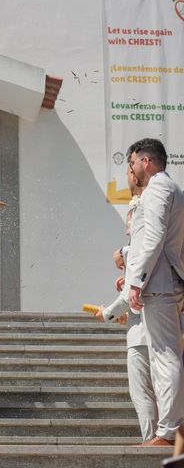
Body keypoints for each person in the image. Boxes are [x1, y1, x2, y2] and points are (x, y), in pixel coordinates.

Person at [125, 138, 184, 446]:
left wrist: (136, 280)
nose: (131, 169)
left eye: (132, 162)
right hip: (166, 283)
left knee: (165, 358)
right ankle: (172, 427)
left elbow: (155, 236)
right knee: (166, 357)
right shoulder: (172, 188)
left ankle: (168, 430)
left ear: (146, 162)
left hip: (159, 284)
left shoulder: (158, 188)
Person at [95, 165, 157, 442]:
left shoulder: (139, 243)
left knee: (142, 392)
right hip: (161, 330)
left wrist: (106, 314)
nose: (126, 227)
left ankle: (154, 442)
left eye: (128, 223)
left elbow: (129, 297)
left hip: (143, 333)